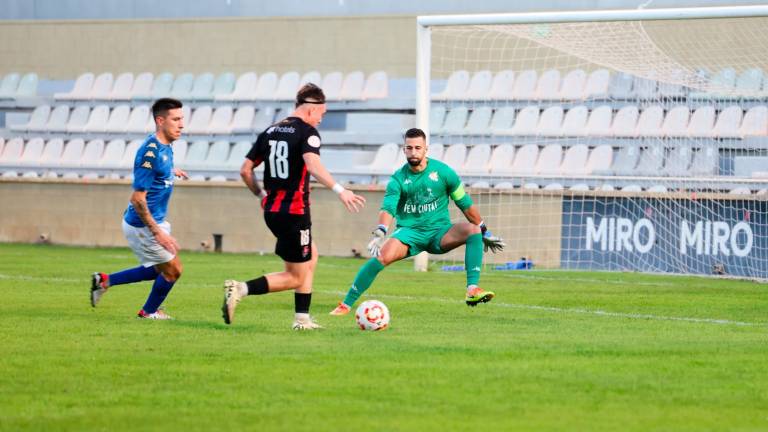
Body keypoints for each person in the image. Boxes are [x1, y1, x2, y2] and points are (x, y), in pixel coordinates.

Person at [222, 83, 366, 330]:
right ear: (311, 109)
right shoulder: (307, 132)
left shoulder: (270, 131)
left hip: (273, 211)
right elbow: (312, 165)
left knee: (311, 256)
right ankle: (240, 289)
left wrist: (261, 196)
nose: (321, 119)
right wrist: (341, 190)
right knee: (295, 276)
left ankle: (302, 319)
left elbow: (245, 170)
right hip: (295, 212)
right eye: (322, 113)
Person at [329, 128, 505, 315]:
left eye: (417, 148)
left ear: (425, 149)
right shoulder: (398, 179)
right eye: (409, 148)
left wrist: (484, 230)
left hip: (440, 232)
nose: (413, 152)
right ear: (404, 150)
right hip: (409, 233)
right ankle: (346, 304)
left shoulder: (444, 173)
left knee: (473, 230)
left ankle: (472, 290)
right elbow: (388, 207)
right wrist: (381, 230)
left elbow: (465, 204)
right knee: (381, 257)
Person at [90, 98, 188, 319]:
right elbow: (137, 199)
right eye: (176, 119)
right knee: (173, 271)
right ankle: (149, 312)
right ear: (160, 121)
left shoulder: (165, 144)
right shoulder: (150, 153)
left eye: (182, 119)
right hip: (143, 224)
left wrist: (172, 172)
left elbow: (158, 171)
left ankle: (105, 281)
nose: (181, 124)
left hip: (153, 220)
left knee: (160, 269)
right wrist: (157, 232)